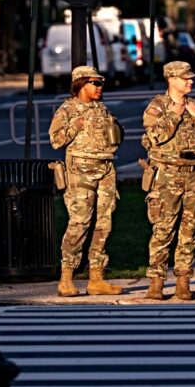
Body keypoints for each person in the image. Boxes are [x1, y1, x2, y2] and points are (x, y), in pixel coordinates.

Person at [141, 61, 195, 301]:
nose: (190, 81)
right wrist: (174, 116)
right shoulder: (157, 107)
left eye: (190, 77)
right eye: (185, 78)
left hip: (192, 175)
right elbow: (153, 137)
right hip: (167, 174)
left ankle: (183, 281)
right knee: (163, 229)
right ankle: (156, 283)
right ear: (171, 79)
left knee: (189, 230)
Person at [49, 65, 124, 297]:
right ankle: (66, 278)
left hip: (105, 169)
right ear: (81, 84)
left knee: (104, 223)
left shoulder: (102, 109)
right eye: (96, 83)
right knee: (79, 222)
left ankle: (96, 278)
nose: (100, 87)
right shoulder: (67, 109)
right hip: (80, 170)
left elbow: (115, 135)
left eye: (101, 83)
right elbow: (55, 140)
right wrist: (75, 125)